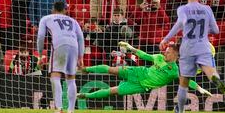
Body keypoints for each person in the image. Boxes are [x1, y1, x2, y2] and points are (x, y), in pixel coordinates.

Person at [160, 0, 225, 113]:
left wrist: (166, 39)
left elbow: (180, 24)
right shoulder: (207, 9)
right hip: (203, 45)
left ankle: (181, 111)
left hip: (187, 47)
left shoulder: (183, 9)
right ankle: (216, 78)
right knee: (209, 70)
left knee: (184, 82)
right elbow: (216, 30)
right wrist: (202, 32)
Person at [79, 42, 212, 99]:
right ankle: (86, 69)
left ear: (175, 55)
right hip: (138, 71)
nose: (165, 54)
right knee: (112, 70)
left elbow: (186, 81)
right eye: (165, 51)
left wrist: (200, 89)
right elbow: (144, 55)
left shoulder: (174, 71)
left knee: (113, 91)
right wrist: (130, 47)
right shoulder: (159, 57)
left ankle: (87, 95)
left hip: (140, 85)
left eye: (168, 52)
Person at [37, 1, 85, 113]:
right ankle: (71, 111)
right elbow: (81, 38)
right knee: (70, 78)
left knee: (55, 75)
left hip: (59, 44)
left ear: (53, 9)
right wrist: (81, 57)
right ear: (65, 10)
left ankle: (59, 108)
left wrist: (39, 55)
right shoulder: (73, 21)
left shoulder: (46, 18)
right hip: (74, 45)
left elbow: (41, 36)